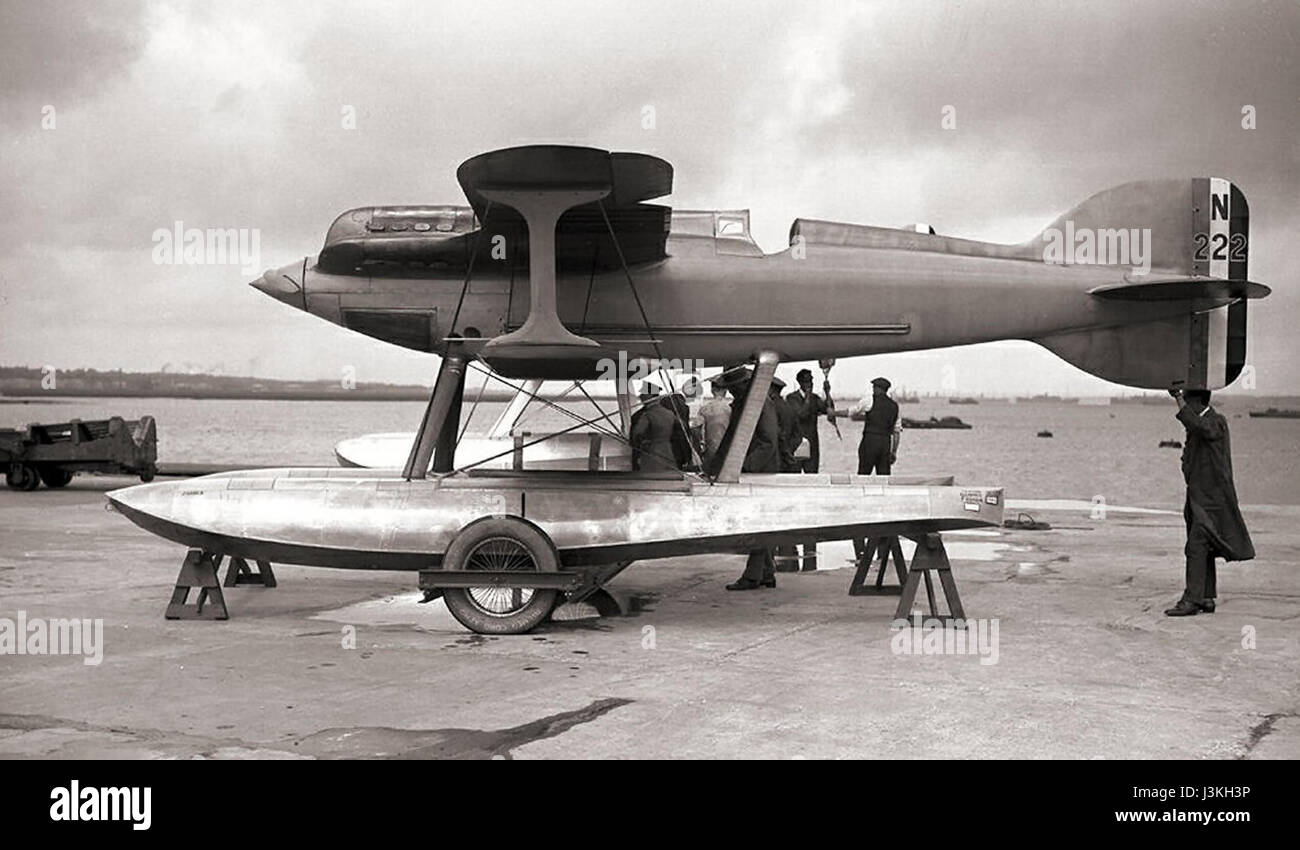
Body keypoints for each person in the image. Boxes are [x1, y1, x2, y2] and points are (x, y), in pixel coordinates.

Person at [1163, 388, 1255, 617]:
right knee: (1202, 548)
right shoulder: (1202, 425)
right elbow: (1193, 439)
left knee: (1195, 546)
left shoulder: (1216, 422)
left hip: (1211, 501)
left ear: (1198, 401)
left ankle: (1192, 599)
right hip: (1199, 497)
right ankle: (1206, 597)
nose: (1187, 408)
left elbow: (1200, 427)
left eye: (1189, 402)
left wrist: (1178, 399)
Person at [707, 368, 782, 591]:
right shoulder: (744, 403)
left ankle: (752, 575)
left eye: (734, 387)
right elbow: (732, 438)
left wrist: (742, 466)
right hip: (749, 469)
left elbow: (769, 442)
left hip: (759, 472)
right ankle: (766, 572)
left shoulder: (759, 403)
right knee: (760, 522)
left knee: (756, 522)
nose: (731, 391)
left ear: (744, 385)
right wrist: (715, 465)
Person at [851, 376, 901, 474]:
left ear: (877, 388)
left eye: (874, 387)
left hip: (870, 442)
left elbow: (853, 411)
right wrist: (894, 452)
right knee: (884, 476)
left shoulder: (869, 400)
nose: (873, 390)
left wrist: (834, 413)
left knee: (863, 474)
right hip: (885, 443)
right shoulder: (894, 406)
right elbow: (897, 432)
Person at [785, 368, 830, 473]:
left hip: (812, 442)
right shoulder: (792, 398)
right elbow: (802, 414)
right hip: (797, 442)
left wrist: (827, 393)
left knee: (812, 473)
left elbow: (828, 410)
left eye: (811, 381)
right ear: (800, 382)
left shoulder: (815, 398)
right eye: (807, 381)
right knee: (794, 473)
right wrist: (808, 397)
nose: (810, 384)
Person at [630, 382, 678, 472]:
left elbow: (636, 435)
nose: (640, 396)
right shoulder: (670, 414)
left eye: (643, 394)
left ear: (649, 395)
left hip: (651, 454)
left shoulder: (646, 415)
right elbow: (678, 433)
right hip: (669, 453)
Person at [697, 379, 732, 469]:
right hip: (727, 450)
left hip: (710, 449)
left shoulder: (705, 409)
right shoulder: (730, 409)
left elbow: (697, 430)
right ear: (725, 391)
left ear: (712, 390)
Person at [770, 376, 800, 473]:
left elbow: (776, 432)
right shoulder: (789, 407)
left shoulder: (770, 408)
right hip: (787, 457)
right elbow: (798, 435)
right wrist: (789, 450)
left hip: (774, 458)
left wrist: (784, 451)